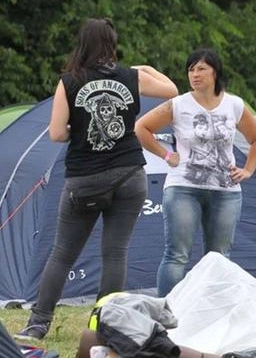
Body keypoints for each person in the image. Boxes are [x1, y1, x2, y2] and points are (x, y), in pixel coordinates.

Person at [17, 18, 178, 341]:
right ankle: (106, 324)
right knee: (115, 253)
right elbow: (172, 90)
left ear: (82, 44)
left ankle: (38, 323)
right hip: (130, 175)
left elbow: (55, 133)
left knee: (62, 253)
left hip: (85, 178)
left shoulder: (69, 81)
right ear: (111, 43)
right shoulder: (130, 77)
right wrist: (143, 67)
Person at [135, 48, 256, 297]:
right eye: (191, 70)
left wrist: (248, 169)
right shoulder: (178, 104)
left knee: (219, 258)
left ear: (215, 72)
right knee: (176, 255)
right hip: (183, 187)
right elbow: (142, 128)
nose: (195, 75)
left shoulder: (234, 104)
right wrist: (166, 155)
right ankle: (167, 312)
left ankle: (210, 312)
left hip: (225, 190)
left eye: (201, 69)